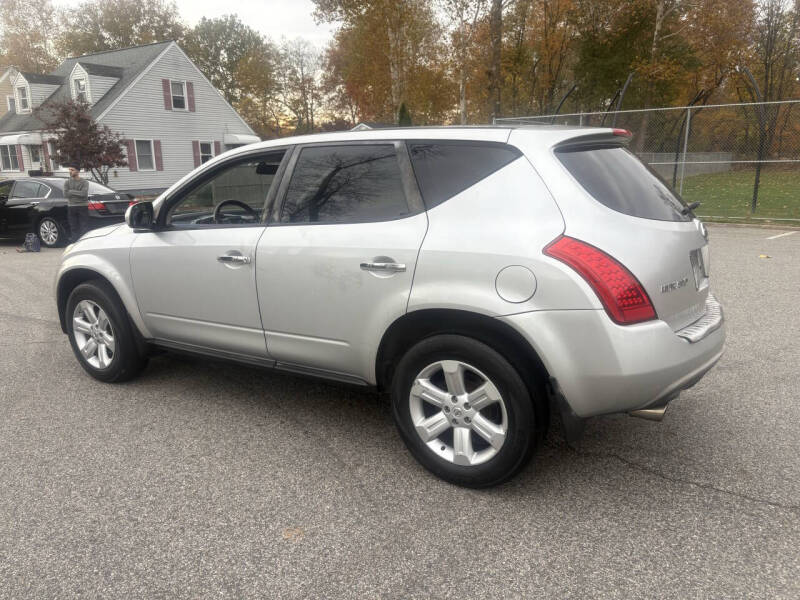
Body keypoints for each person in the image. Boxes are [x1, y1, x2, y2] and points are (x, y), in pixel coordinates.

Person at [64, 163, 89, 242]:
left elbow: (84, 194)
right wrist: (77, 193)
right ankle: (74, 242)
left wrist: (71, 191)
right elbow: (65, 194)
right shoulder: (67, 182)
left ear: (78, 171)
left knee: (84, 226)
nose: (70, 171)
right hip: (71, 206)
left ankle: (84, 242)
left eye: (72, 170)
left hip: (82, 206)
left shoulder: (85, 182)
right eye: (69, 170)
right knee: (73, 226)